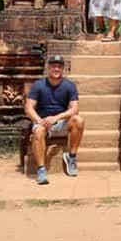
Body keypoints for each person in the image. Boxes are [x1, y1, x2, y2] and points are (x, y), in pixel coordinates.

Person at [25, 54, 85, 185]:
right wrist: (39, 120)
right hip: (43, 121)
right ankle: (41, 169)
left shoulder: (69, 86)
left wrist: (56, 118)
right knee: (38, 131)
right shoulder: (38, 85)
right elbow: (29, 108)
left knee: (78, 120)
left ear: (63, 69)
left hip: (61, 122)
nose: (56, 69)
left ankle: (72, 157)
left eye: (59, 66)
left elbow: (74, 109)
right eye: (53, 66)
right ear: (48, 68)